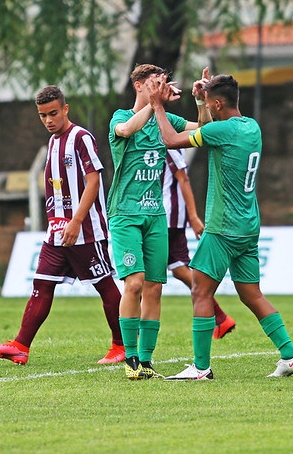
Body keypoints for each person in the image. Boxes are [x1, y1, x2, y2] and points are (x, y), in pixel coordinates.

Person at [147, 71, 293, 380]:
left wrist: (157, 104)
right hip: (247, 226)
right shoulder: (251, 127)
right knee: (251, 294)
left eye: (209, 102)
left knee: (200, 292)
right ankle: (290, 355)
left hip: (222, 228)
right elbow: (211, 129)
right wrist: (199, 99)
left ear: (218, 104)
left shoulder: (223, 130)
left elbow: (170, 140)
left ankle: (201, 367)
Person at [0, 86, 124, 366]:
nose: (48, 120)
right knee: (42, 284)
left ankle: (121, 345)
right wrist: (56, 220)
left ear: (66, 109)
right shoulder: (53, 142)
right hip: (58, 230)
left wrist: (77, 221)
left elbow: (93, 182)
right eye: (43, 115)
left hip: (85, 230)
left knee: (106, 287)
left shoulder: (81, 137)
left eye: (53, 113)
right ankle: (21, 346)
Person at [107, 64, 198, 380]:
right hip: (125, 215)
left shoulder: (166, 120)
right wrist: (154, 104)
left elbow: (204, 128)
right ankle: (130, 357)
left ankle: (146, 360)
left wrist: (201, 99)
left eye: (163, 83)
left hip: (155, 216)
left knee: (155, 288)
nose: (160, 88)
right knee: (133, 283)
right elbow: (127, 130)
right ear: (138, 85)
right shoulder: (120, 118)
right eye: (155, 83)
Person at [163, 148, 236, 339]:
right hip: (166, 217)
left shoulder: (165, 146)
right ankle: (220, 318)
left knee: (145, 274)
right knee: (179, 269)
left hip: (166, 218)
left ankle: (132, 330)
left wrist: (194, 217)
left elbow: (183, 179)